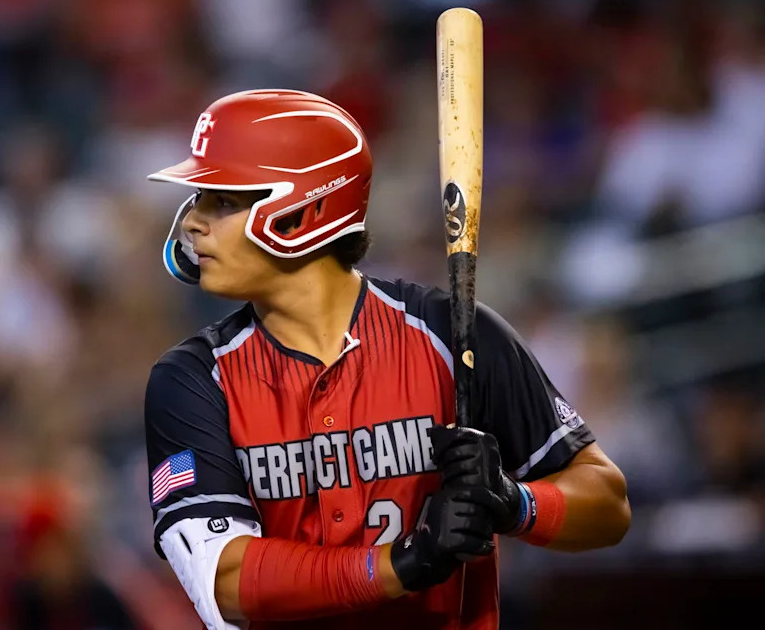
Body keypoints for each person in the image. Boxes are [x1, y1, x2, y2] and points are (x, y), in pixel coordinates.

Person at [143, 90, 630, 630]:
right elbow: (226, 583)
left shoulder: (455, 334)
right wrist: (406, 562)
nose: (192, 223)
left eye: (223, 201)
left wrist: (515, 503)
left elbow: (608, 505)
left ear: (303, 210)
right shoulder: (192, 379)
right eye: (200, 199)